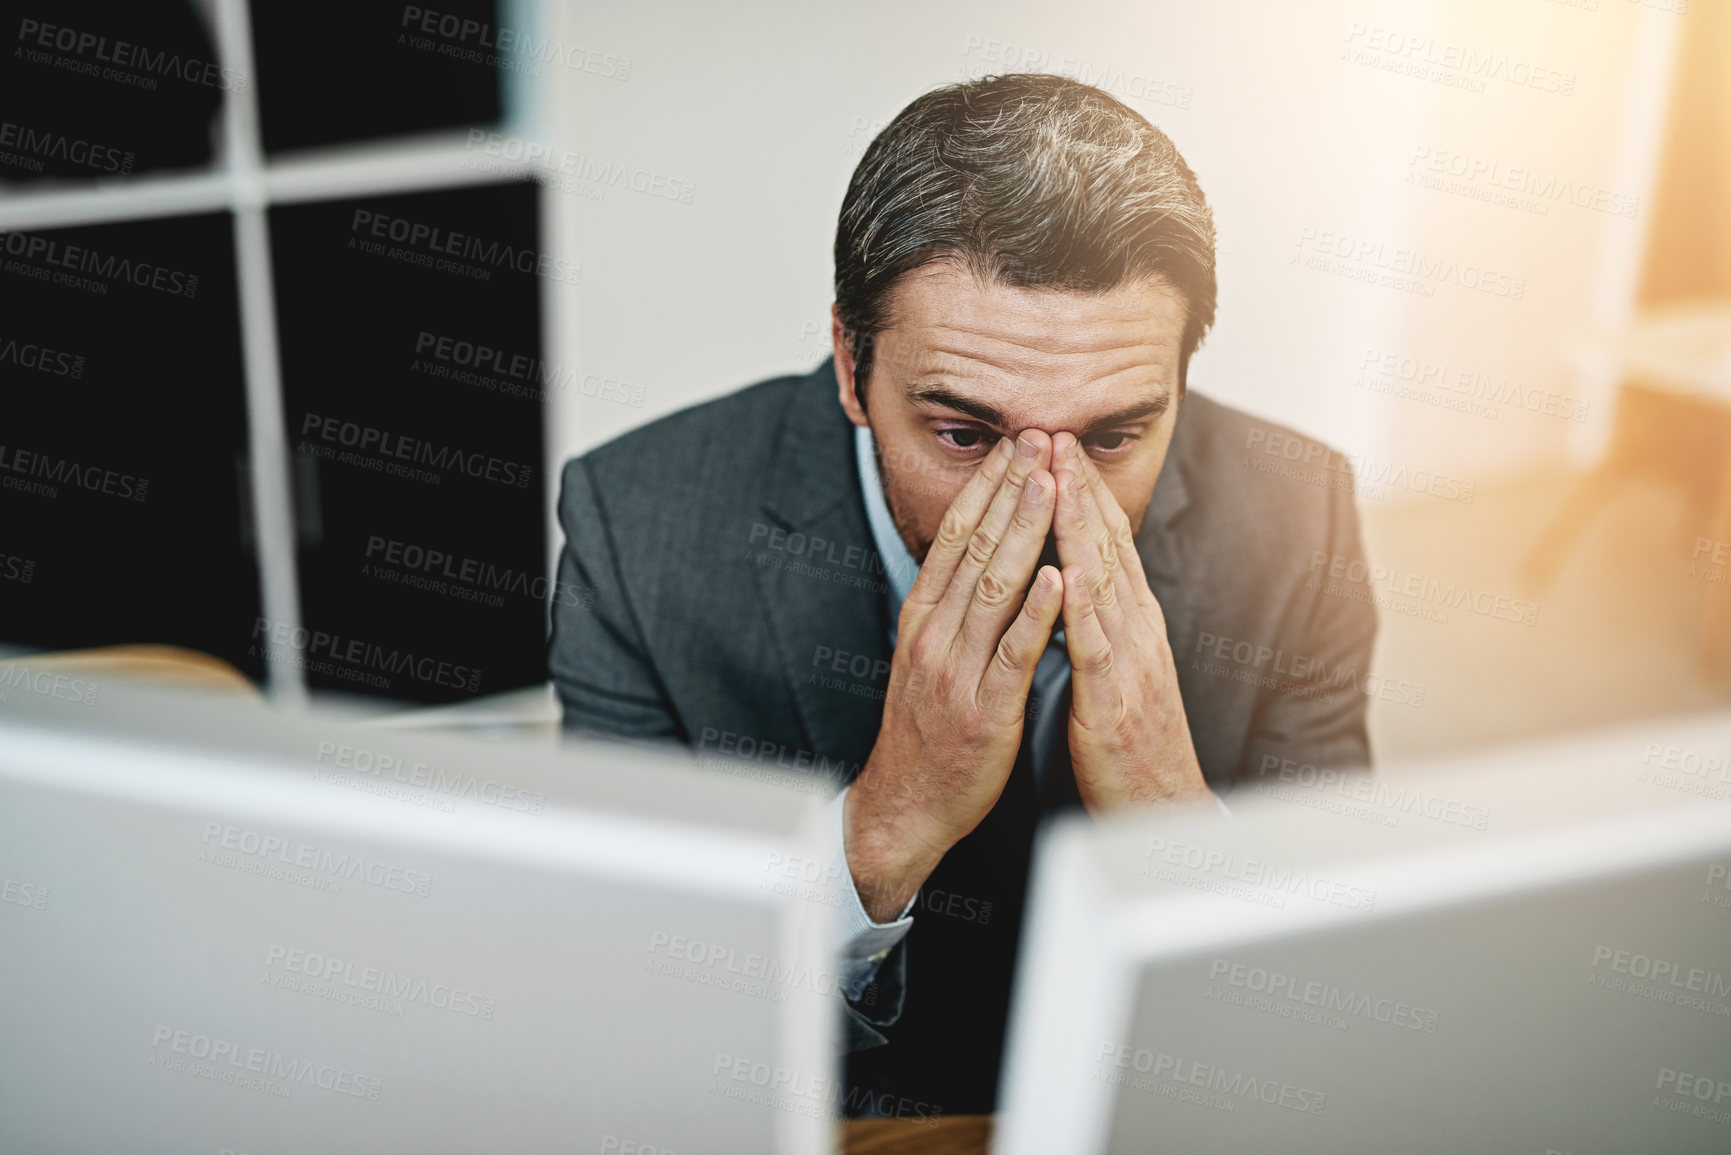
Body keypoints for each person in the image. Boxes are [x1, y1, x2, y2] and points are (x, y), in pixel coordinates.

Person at [547, 73, 1377, 1116]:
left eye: (1115, 436)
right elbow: (637, 1008)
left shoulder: (1304, 516)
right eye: (964, 434)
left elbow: (1334, 1000)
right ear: (853, 366)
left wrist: (1172, 813)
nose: (1040, 499)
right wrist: (884, 828)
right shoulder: (639, 528)